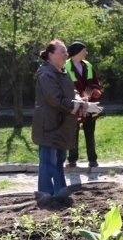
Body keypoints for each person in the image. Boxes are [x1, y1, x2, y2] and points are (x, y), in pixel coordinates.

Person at [31, 40, 91, 201]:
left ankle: (60, 191)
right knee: (48, 160)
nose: (66, 55)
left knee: (59, 159)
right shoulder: (46, 74)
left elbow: (71, 92)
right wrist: (76, 105)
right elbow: (55, 100)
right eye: (62, 52)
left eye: (66, 52)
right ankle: (45, 193)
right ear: (51, 55)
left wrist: (81, 101)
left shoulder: (62, 71)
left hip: (61, 124)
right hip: (49, 124)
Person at [65, 41, 103, 168]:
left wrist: (96, 90)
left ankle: (92, 160)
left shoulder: (87, 65)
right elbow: (68, 87)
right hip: (74, 105)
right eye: (84, 51)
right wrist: (80, 98)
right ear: (77, 53)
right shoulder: (66, 67)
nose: (86, 53)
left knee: (90, 132)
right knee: (73, 132)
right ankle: (72, 160)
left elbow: (94, 82)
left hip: (89, 105)